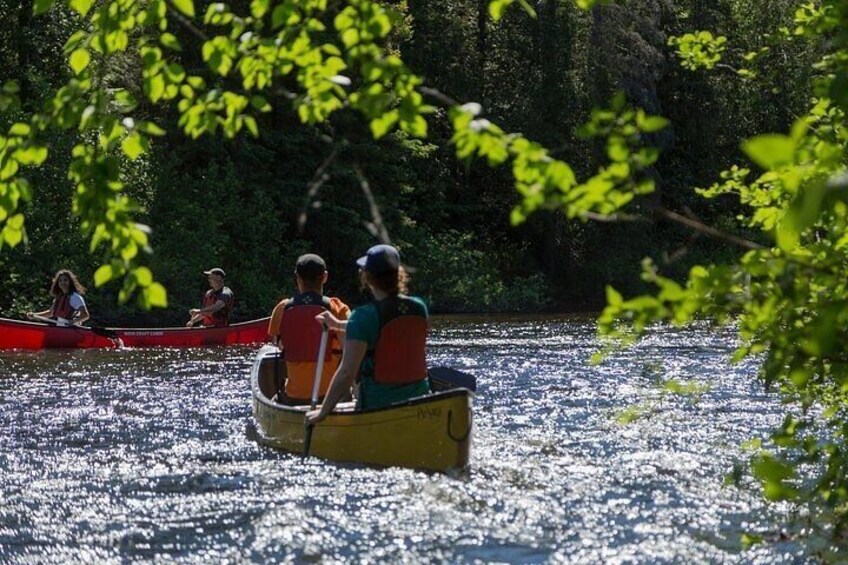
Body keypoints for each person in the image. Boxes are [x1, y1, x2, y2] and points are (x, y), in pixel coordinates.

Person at [306, 244, 429, 425]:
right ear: (398, 274)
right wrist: (338, 324)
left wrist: (322, 412)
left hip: (378, 405)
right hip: (420, 401)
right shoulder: (419, 307)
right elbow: (383, 327)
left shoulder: (363, 316)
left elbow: (347, 373)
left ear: (367, 276)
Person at [267, 253, 351, 404]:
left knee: (274, 398)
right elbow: (352, 346)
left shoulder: (282, 308)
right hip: (333, 398)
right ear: (324, 277)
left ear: (297, 278)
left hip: (293, 398)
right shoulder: (338, 308)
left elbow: (276, 343)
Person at [26, 269, 91, 327]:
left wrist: (74, 321)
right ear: (58, 283)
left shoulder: (75, 297)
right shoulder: (58, 297)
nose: (63, 282)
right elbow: (50, 313)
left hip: (72, 330)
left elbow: (85, 315)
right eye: (60, 280)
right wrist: (35, 315)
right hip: (60, 328)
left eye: (65, 280)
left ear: (70, 282)